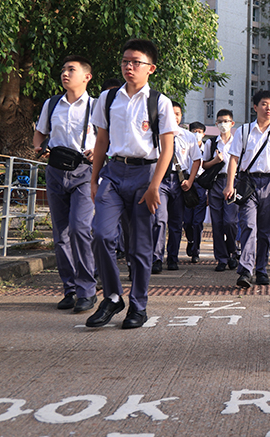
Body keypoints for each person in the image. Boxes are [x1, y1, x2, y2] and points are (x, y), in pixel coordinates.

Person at [87, 38, 178, 330]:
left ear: (150, 68)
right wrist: (93, 179)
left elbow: (168, 149)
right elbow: (101, 141)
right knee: (100, 234)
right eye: (125, 61)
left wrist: (155, 186)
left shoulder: (159, 102)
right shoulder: (108, 98)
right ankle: (113, 297)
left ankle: (138, 306)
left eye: (136, 62)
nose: (129, 66)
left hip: (145, 177)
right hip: (113, 174)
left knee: (140, 248)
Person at [32, 55, 98, 313]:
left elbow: (108, 138)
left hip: (84, 172)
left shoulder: (96, 106)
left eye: (71, 69)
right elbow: (40, 132)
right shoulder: (51, 104)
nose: (65, 73)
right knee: (61, 235)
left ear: (87, 76)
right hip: (56, 171)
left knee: (81, 229)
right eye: (63, 69)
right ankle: (70, 289)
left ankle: (87, 290)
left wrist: (97, 150)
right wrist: (38, 146)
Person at [223, 90, 270, 287]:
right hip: (247, 184)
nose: (268, 108)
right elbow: (234, 159)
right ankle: (246, 269)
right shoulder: (243, 131)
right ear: (255, 107)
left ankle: (261, 269)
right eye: (263, 104)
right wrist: (229, 185)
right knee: (248, 226)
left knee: (264, 230)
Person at [153, 102, 202, 271]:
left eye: (178, 113)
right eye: (171, 113)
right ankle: (156, 258)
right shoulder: (156, 134)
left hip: (181, 182)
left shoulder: (188, 136)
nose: (174, 116)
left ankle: (172, 257)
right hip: (161, 181)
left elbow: (196, 159)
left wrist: (190, 180)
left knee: (176, 222)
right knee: (159, 219)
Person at [204, 109, 240, 271]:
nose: (223, 124)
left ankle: (233, 251)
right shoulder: (211, 143)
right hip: (216, 183)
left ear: (232, 124)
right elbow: (204, 165)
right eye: (220, 121)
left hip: (233, 182)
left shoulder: (238, 142)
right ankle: (221, 258)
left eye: (226, 121)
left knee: (230, 221)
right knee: (217, 223)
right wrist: (215, 160)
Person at [184, 121, 209, 264]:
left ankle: (196, 250)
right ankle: (190, 239)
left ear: (203, 134)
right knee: (187, 221)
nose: (196, 133)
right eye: (194, 131)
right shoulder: (186, 146)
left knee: (197, 222)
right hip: (188, 184)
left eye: (199, 131)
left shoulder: (208, 148)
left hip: (201, 184)